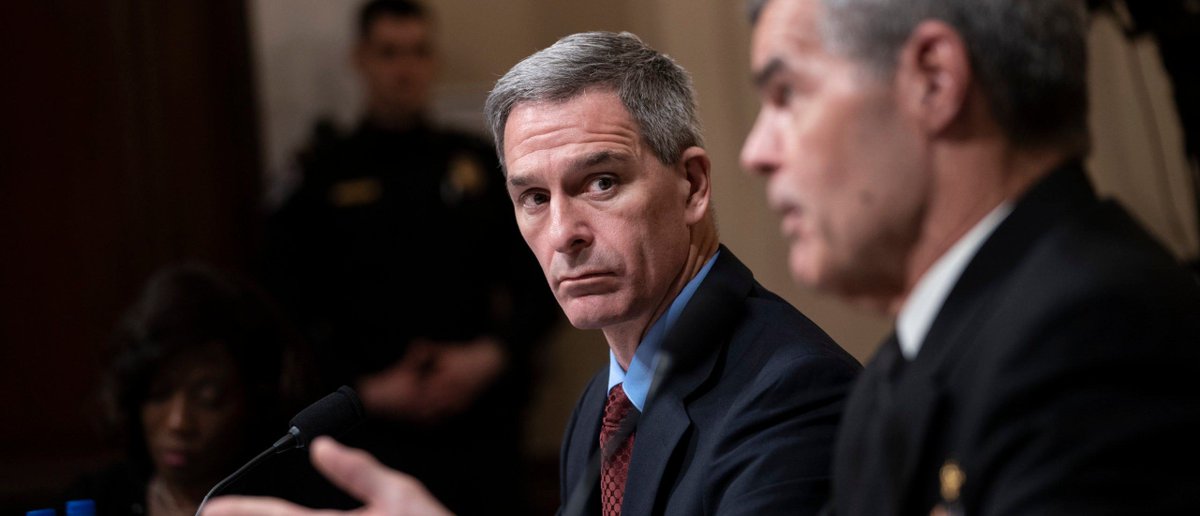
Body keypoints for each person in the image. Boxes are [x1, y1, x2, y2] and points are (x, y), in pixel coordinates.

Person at [209, 31, 860, 515]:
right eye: (534, 198)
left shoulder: (793, 392)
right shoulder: (603, 406)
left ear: (692, 185)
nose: (563, 232)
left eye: (601, 182)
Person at [740, 0, 1200, 514]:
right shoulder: (895, 375)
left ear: (934, 81)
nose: (755, 152)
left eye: (787, 94)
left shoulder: (1099, 336)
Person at [260, 0, 558, 513]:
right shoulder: (319, 175)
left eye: (418, 52)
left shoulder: (476, 166)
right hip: (364, 425)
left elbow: (542, 278)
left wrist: (488, 358)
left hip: (479, 422)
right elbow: (285, 311)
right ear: (360, 59)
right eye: (389, 53)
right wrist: (367, 390)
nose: (405, 69)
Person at [67, 264, 347, 515]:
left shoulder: (302, 505)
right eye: (158, 394)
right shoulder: (95, 498)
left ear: (254, 398)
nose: (178, 423)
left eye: (208, 399)